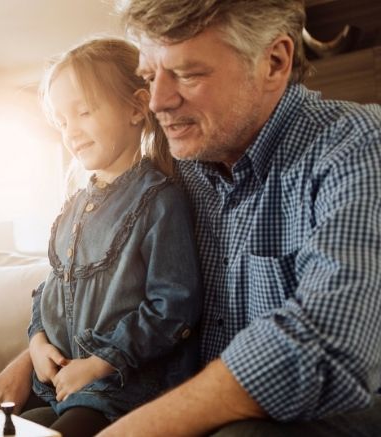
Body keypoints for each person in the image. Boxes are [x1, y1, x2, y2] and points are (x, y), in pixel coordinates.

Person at [96, 1, 381, 435]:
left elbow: (330, 343)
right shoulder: (184, 167)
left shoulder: (358, 144)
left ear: (274, 61)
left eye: (188, 74)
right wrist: (32, 357)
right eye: (150, 77)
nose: (158, 102)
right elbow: (108, 278)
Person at [5, 37, 203, 437]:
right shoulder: (72, 204)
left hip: (124, 390)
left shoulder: (159, 200)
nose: (70, 131)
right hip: (62, 389)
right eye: (61, 121)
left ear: (135, 107)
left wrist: (101, 362)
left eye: (83, 112)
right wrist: (37, 341)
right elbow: (50, 289)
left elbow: (174, 307)